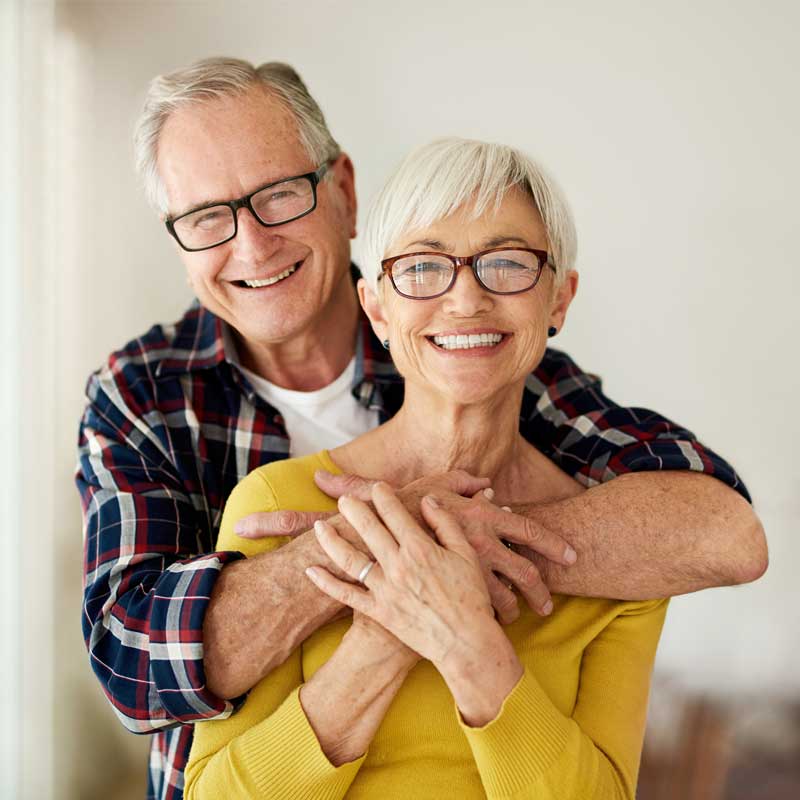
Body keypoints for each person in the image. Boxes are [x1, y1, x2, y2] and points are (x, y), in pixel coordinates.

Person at [77, 58, 765, 800]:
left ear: (341, 191)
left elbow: (721, 529)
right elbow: (134, 665)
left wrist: (449, 546)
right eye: (207, 217)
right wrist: (382, 558)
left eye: (278, 195)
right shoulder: (146, 395)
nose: (252, 245)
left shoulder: (481, 354)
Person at [185, 136, 675, 798]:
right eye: (422, 268)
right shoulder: (276, 502)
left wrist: (465, 639)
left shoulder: (626, 553)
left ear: (559, 299)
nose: (466, 300)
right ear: (378, 308)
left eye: (506, 264)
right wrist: (387, 634)